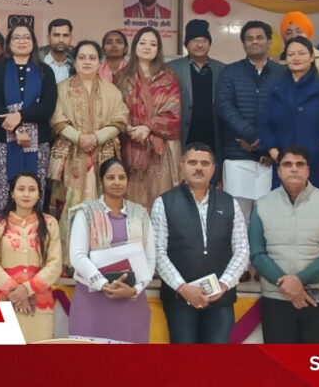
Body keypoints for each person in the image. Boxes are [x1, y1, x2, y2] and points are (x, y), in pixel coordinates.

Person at [152, 144, 249, 344]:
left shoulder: (229, 203)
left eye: (205, 163)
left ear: (213, 169)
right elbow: (158, 252)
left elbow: (241, 250)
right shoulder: (165, 203)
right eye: (192, 162)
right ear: (182, 166)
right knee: (185, 361)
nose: (199, 168)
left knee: (216, 361)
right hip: (180, 300)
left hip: (220, 300)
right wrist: (183, 288)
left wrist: (223, 285)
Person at [249, 146, 319, 344]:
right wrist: (287, 286)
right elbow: (257, 253)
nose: (294, 169)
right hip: (277, 299)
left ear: (308, 170)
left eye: (300, 164)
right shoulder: (262, 204)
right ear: (279, 171)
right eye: (287, 164)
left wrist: (299, 281)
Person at [66, 158, 155, 343]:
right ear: (102, 181)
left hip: (131, 302)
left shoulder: (140, 214)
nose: (117, 182)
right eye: (111, 177)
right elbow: (77, 256)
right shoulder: (86, 212)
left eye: (121, 177)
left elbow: (150, 258)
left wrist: (134, 290)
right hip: (92, 301)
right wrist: (103, 284)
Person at [50, 40, 128, 230]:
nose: (87, 62)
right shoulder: (61, 89)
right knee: (69, 205)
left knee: (102, 204)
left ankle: (102, 244)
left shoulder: (111, 90)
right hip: (71, 155)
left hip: (103, 154)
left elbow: (120, 119)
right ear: (74, 61)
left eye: (92, 58)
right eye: (82, 57)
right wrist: (79, 138)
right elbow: (56, 119)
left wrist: (97, 137)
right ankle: (69, 247)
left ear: (100, 62)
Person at [0, 24, 57, 218]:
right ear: (9, 43)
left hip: (37, 144)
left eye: (26, 37)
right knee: (1, 192)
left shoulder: (45, 71)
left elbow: (48, 106)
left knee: (31, 190)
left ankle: (32, 232)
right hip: (0, 142)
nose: (22, 41)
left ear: (34, 42)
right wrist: (16, 129)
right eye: (17, 37)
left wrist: (20, 116)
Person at [260, 36, 319, 198]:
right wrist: (275, 154)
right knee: (284, 207)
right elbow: (265, 124)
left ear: (312, 57)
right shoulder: (276, 89)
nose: (296, 58)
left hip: (318, 163)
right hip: (284, 165)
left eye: (301, 53)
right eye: (291, 54)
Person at [216, 20, 285, 224]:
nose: (254, 42)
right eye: (249, 38)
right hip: (237, 155)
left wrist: (266, 145)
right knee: (238, 218)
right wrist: (250, 134)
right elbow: (224, 106)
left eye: (259, 37)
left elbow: (286, 113)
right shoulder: (230, 72)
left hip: (270, 158)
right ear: (244, 43)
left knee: (268, 218)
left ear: (269, 41)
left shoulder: (282, 74)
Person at [0, 171, 62, 343]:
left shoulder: (50, 224)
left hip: (40, 304)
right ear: (12, 193)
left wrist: (27, 289)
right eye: (21, 189)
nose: (26, 194)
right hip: (5, 301)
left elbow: (55, 264)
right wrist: (16, 292)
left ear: (39, 194)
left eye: (32, 189)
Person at [116, 26, 181, 212]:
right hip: (130, 144)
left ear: (158, 49)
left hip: (160, 148)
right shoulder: (122, 77)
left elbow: (174, 112)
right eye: (143, 43)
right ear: (135, 46)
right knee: (132, 199)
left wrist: (148, 127)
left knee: (160, 199)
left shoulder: (168, 76)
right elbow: (115, 109)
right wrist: (127, 127)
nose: (147, 47)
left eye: (152, 44)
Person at [168, 19, 226, 182]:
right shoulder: (172, 68)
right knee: (183, 180)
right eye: (194, 40)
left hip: (212, 136)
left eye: (204, 40)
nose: (199, 45)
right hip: (184, 136)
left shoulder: (222, 69)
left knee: (210, 180)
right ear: (187, 44)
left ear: (209, 43)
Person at [37, 18, 73, 83]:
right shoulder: (36, 61)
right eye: (56, 35)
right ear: (48, 38)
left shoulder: (76, 63)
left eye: (65, 35)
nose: (61, 40)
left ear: (71, 38)